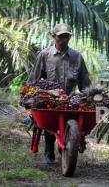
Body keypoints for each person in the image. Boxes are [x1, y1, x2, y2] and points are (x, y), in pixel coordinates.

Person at [28, 23, 92, 164]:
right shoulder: (45, 55)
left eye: (67, 36)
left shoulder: (77, 57)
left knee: (71, 124)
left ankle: (67, 147)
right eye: (61, 37)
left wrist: (91, 98)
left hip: (70, 99)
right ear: (54, 37)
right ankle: (49, 154)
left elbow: (85, 83)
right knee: (49, 124)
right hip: (50, 99)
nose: (64, 40)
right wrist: (30, 98)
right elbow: (34, 79)